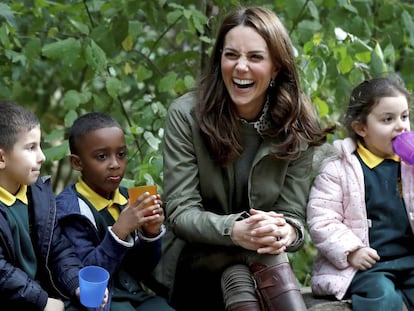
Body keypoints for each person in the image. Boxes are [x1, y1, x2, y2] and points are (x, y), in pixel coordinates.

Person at [154, 6, 334, 311]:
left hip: (256, 266)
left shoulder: (296, 122)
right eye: (231, 55)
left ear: (276, 67)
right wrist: (235, 230)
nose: (240, 67)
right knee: (259, 259)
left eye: (255, 57)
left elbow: (292, 213)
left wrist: (284, 231)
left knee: (241, 280)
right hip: (193, 262)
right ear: (219, 59)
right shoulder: (187, 115)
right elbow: (181, 213)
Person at [307, 76, 414, 311]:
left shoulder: (410, 166)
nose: (401, 126)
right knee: (382, 298)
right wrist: (352, 251)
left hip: (410, 259)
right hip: (368, 266)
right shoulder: (339, 169)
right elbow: (321, 218)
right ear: (361, 128)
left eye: (405, 117)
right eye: (388, 119)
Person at [56, 112, 175, 311]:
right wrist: (119, 231)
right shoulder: (70, 210)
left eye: (121, 154)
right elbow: (86, 278)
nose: (115, 164)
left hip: (135, 296)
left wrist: (150, 234)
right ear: (77, 163)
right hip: (102, 303)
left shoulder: (128, 198)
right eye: (102, 157)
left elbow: (140, 270)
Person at [0, 101, 87, 310]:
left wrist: (76, 283)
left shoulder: (38, 195)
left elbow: (57, 249)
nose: (42, 157)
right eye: (31, 148)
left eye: (40, 146)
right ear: (2, 158)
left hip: (46, 295)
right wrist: (42, 302)